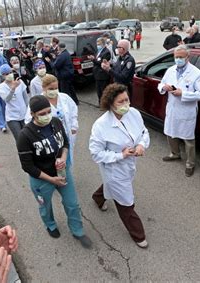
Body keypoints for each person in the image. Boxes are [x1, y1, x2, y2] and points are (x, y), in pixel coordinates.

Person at [16, 95, 92, 249]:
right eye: (42, 114)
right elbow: (27, 166)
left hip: (61, 172)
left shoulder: (56, 122)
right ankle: (50, 224)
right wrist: (51, 180)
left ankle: (77, 230)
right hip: (41, 178)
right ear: (33, 115)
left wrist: (63, 157)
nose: (47, 116)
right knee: (45, 205)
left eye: (48, 111)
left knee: (72, 203)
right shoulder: (25, 135)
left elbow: (65, 142)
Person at [89, 83, 150, 248]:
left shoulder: (134, 114)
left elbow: (144, 133)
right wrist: (120, 155)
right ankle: (138, 235)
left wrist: (141, 146)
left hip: (129, 165)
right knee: (125, 201)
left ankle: (98, 197)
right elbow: (96, 153)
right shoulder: (101, 125)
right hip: (114, 168)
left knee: (113, 187)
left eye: (127, 100)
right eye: (120, 102)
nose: (126, 105)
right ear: (110, 103)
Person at [157, 45, 200, 177]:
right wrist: (164, 87)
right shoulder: (170, 70)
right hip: (172, 108)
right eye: (176, 57)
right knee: (170, 133)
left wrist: (183, 93)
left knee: (188, 139)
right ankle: (174, 154)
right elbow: (160, 84)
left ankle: (190, 164)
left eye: (181, 57)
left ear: (187, 57)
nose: (178, 59)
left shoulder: (196, 73)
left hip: (187, 110)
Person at [24, 74, 78, 163]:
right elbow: (28, 121)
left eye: (56, 88)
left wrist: (74, 126)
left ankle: (66, 174)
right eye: (51, 89)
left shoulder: (64, 98)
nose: (54, 91)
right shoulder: (37, 102)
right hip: (48, 138)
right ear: (43, 88)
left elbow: (73, 110)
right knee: (53, 162)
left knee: (66, 159)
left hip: (66, 134)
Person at [0, 64, 29, 142]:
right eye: (6, 74)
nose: (9, 75)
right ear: (2, 75)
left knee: (28, 137)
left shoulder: (19, 82)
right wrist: (13, 89)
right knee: (20, 139)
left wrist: (29, 111)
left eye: (10, 72)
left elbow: (26, 98)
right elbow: (7, 99)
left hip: (24, 114)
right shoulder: (1, 87)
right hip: (12, 116)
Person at [88, 37, 111, 104]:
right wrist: (93, 59)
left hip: (103, 75)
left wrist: (93, 59)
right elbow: (98, 60)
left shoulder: (106, 52)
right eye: (97, 44)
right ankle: (100, 103)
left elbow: (102, 63)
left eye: (99, 44)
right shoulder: (98, 51)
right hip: (97, 74)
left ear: (103, 44)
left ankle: (105, 104)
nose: (98, 45)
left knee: (103, 91)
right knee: (98, 91)